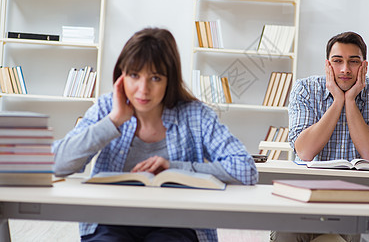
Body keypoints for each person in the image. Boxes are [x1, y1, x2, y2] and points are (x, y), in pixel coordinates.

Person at [53, 27, 258, 242]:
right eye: (134, 75)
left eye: (155, 78)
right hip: (111, 222)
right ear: (121, 76)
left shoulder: (196, 115)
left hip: (176, 225)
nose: (143, 89)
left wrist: (174, 167)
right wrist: (113, 121)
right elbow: (57, 163)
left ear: (170, 80)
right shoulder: (106, 108)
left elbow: (245, 169)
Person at [271, 31, 369, 242]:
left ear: (364, 65)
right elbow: (304, 151)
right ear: (327, 65)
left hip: (359, 202)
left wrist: (350, 101)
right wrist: (337, 100)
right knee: (286, 233)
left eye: (353, 62)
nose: (345, 69)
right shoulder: (305, 89)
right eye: (337, 61)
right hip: (307, 198)